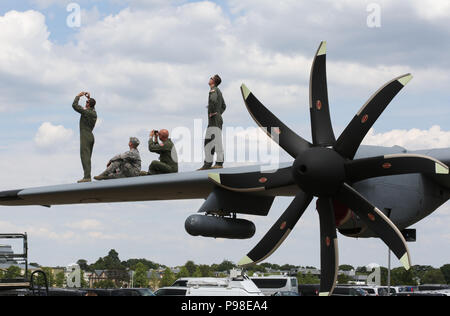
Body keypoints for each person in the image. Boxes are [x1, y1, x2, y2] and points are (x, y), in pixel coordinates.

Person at [198, 74, 226, 170]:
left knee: (216, 140)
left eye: (211, 78)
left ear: (213, 81)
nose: (209, 79)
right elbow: (224, 106)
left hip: (214, 119)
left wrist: (213, 112)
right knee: (208, 141)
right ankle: (208, 163)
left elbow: (213, 101)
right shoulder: (219, 91)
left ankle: (219, 163)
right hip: (215, 119)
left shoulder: (213, 90)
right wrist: (218, 113)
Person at [73, 91, 97, 183]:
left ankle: (87, 177)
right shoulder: (93, 112)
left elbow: (74, 106)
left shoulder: (87, 112)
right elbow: (92, 106)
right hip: (90, 136)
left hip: (85, 136)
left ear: (88, 105)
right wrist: (88, 99)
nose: (85, 104)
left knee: (85, 157)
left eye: (86, 103)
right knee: (87, 157)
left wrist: (78, 96)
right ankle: (87, 176)